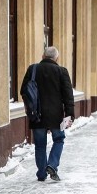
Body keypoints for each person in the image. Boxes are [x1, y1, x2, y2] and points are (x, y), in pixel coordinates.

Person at [20, 46, 74, 182]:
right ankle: (52, 164)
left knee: (40, 145)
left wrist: (30, 107)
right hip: (56, 115)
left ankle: (42, 173)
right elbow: (68, 96)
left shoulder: (33, 69)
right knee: (59, 139)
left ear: (43, 56)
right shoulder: (62, 71)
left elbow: (23, 90)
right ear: (57, 58)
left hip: (36, 114)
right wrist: (69, 115)